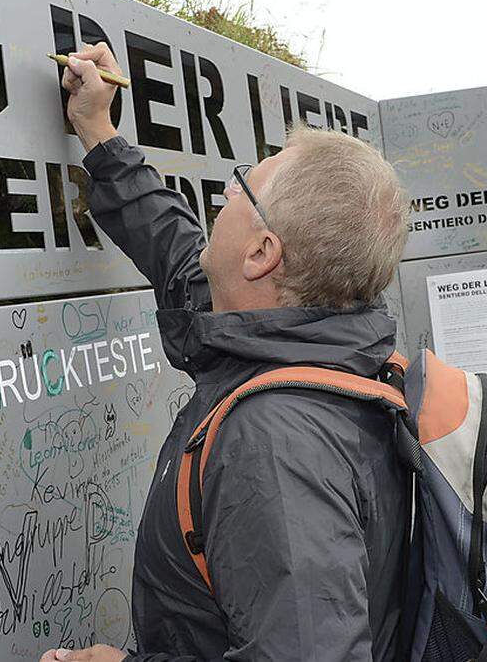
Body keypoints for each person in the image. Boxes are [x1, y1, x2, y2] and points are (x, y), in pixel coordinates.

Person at [39, 43, 411, 662]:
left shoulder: (276, 443)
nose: (221, 199)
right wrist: (99, 133)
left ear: (263, 252)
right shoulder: (310, 345)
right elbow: (181, 253)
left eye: (241, 185)